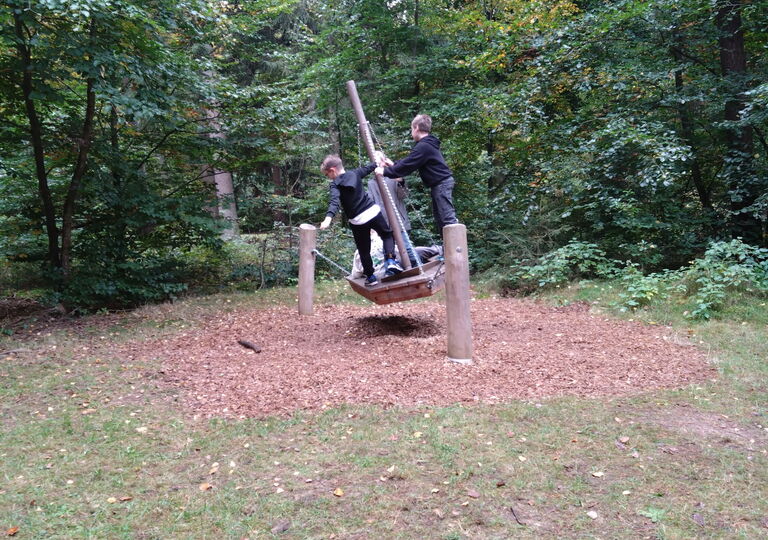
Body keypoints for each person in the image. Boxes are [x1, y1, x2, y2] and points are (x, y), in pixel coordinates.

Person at [319, 155, 402, 286]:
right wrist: (378, 162)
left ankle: (371, 277)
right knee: (387, 235)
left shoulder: (335, 184)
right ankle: (391, 260)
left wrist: (328, 219)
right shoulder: (355, 173)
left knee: (364, 250)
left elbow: (334, 202)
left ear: (332, 170)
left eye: (327, 174)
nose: (328, 177)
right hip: (372, 212)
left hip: (357, 221)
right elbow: (369, 167)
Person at [374, 114, 458, 238]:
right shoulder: (426, 144)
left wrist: (384, 171)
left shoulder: (424, 146)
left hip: (441, 184)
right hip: (440, 184)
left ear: (416, 127)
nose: (411, 132)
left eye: (411, 129)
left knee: (447, 218)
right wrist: (393, 165)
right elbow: (409, 161)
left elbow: (408, 165)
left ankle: (456, 248)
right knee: (441, 218)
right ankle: (447, 248)